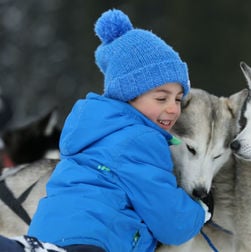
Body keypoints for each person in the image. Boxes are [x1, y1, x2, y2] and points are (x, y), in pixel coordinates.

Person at [0, 8, 210, 252]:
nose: (173, 109)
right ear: (128, 96)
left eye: (178, 99)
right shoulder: (140, 140)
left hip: (48, 234)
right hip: (94, 242)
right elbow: (171, 221)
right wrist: (201, 211)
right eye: (161, 98)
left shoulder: (90, 131)